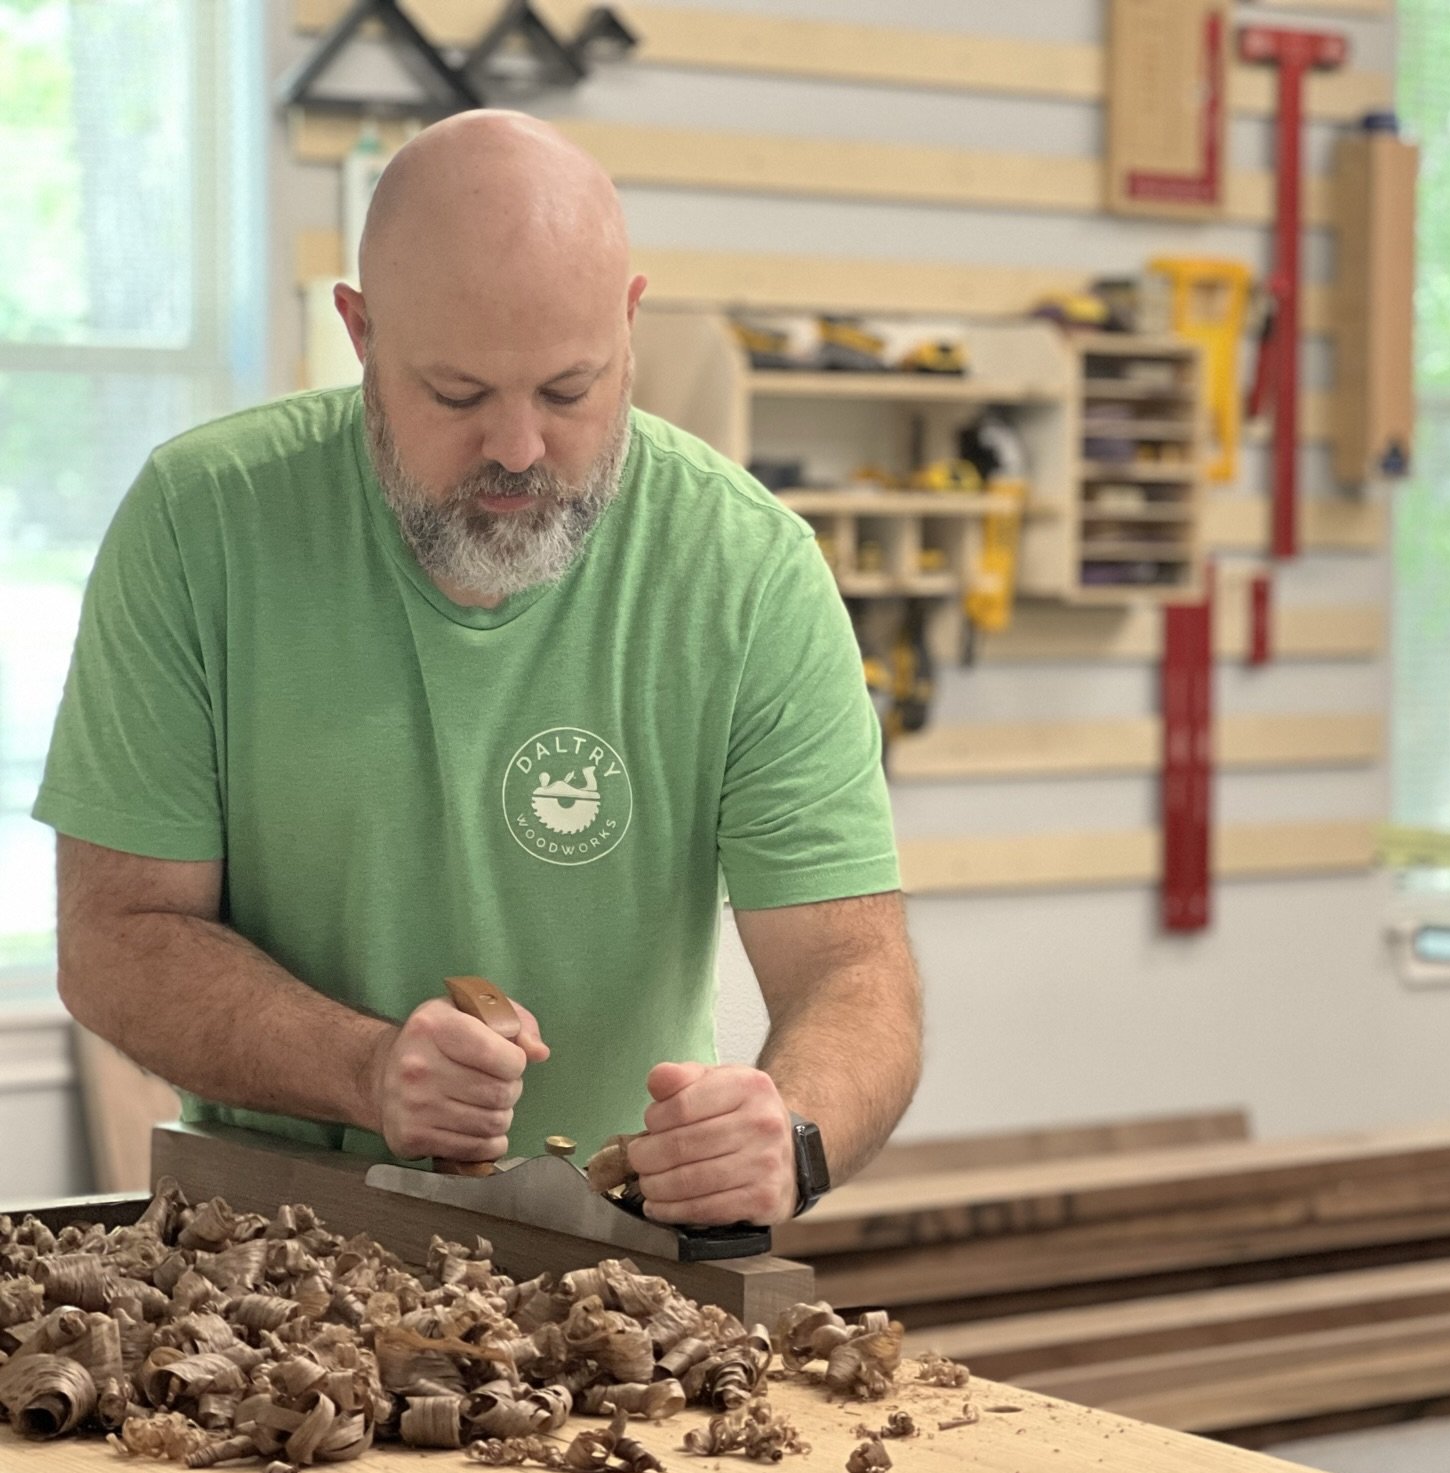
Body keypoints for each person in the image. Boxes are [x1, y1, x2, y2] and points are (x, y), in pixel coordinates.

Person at [36, 111, 922, 1228]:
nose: (517, 448)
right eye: (457, 395)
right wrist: (362, 1069)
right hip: (260, 1249)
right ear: (360, 334)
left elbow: (852, 971)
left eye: (568, 391)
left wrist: (786, 1137)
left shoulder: (746, 569)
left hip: (612, 1261)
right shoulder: (201, 524)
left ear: (629, 325)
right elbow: (116, 938)